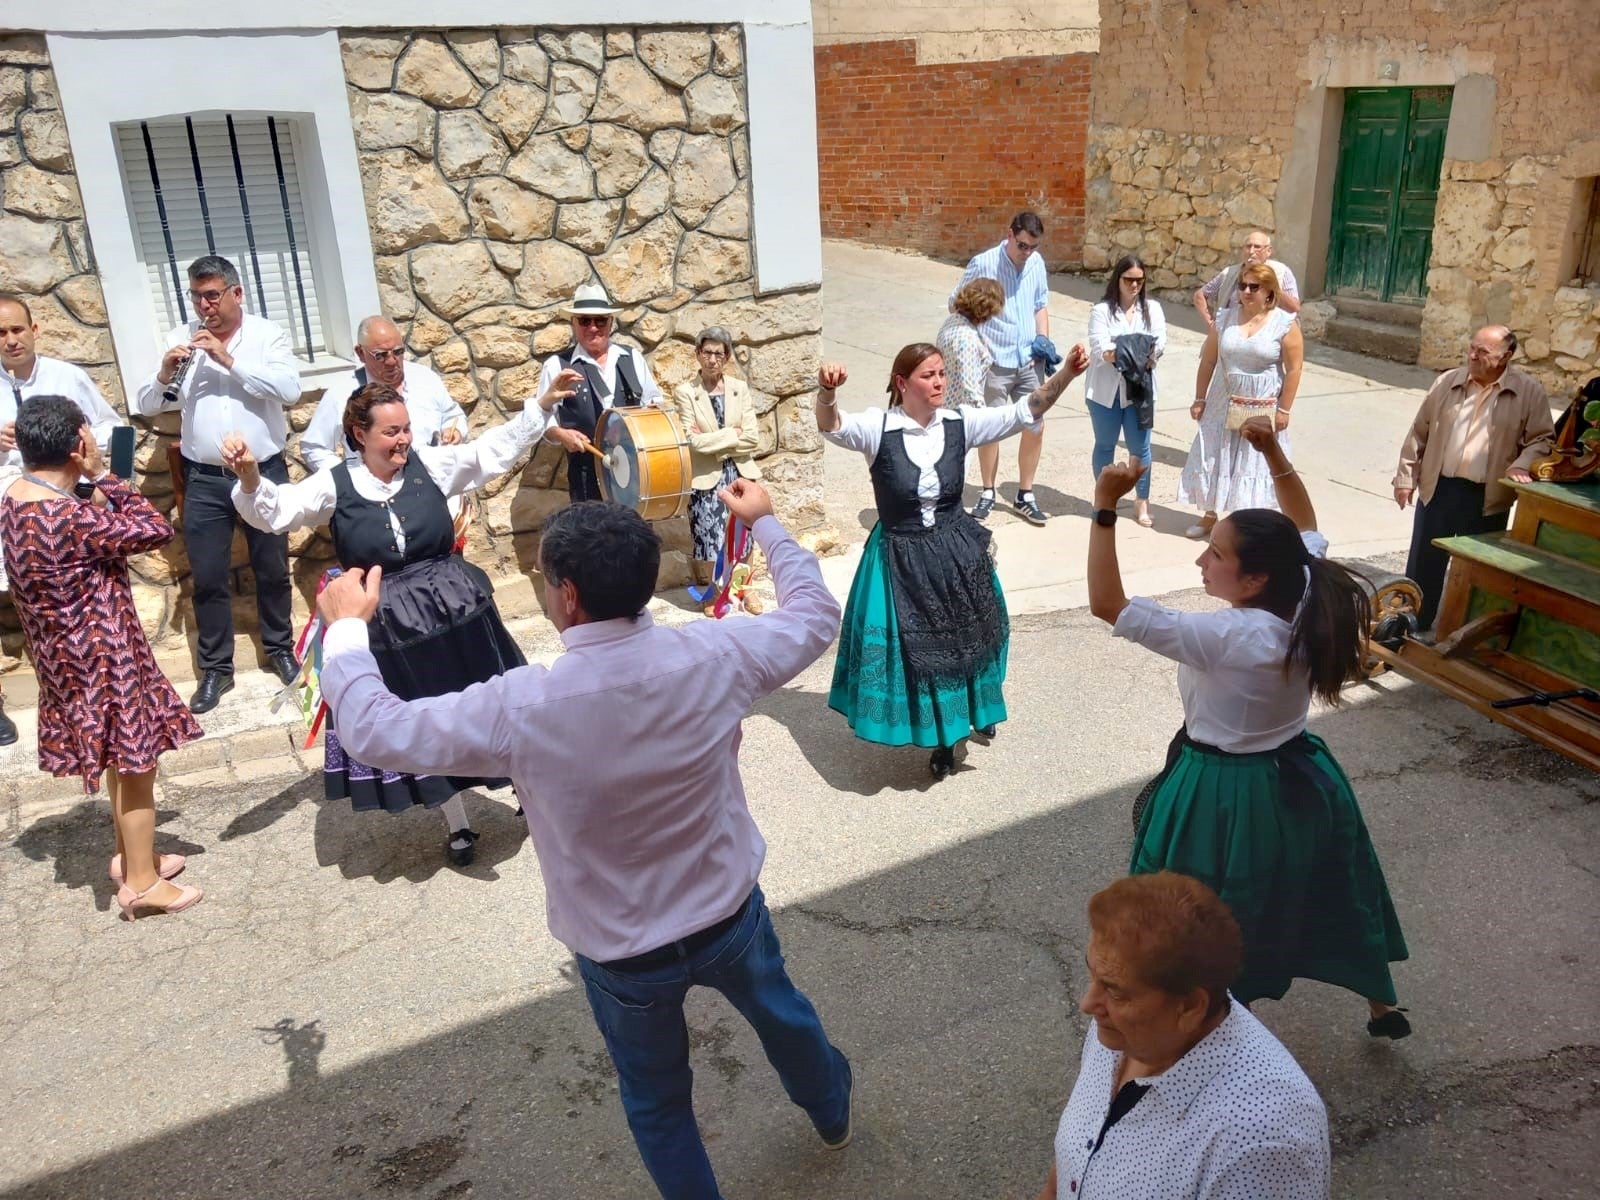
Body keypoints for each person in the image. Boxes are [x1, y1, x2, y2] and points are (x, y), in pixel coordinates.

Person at [313, 483, 851, 1200]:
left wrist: (348, 628)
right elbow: (816, 614)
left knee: (659, 1104)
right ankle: (832, 1114)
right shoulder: (716, 655)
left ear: (566, 595)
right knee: (786, 1020)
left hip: (622, 953)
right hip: (728, 913)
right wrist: (765, 525)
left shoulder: (522, 705)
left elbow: (377, 728)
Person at [1088, 418, 1411, 1037]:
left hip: (1223, 788)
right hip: (1301, 772)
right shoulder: (1306, 581)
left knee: (1200, 911)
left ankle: (1200, 1027)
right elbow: (1305, 527)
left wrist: (1106, 508)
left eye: (1217, 553)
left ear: (1255, 577)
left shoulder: (1231, 636)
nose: (1201, 558)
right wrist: (1270, 452)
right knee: (1329, 886)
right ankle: (1380, 1006)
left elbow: (1109, 604)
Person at [225, 370, 580, 866]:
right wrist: (248, 477)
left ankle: (529, 793)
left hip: (458, 608)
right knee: (426, 719)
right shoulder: (335, 483)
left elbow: (489, 452)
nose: (404, 440)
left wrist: (540, 405)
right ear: (359, 435)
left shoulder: (430, 464)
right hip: (391, 625)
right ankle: (458, 822)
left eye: (406, 428)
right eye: (391, 431)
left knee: (497, 701)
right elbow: (277, 512)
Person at [818, 342, 1090, 779]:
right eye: (929, 375)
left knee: (977, 633)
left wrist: (1068, 376)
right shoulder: (878, 428)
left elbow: (1024, 410)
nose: (940, 381)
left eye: (942, 373)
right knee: (915, 650)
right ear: (903, 383)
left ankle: (977, 713)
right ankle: (943, 738)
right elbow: (831, 426)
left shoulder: (959, 423)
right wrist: (827, 392)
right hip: (899, 554)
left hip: (953, 548)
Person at [0, 395, 203, 919]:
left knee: (118, 759)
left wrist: (83, 483)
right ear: (77, 445)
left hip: (61, 660)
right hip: (104, 658)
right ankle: (141, 884)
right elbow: (154, 529)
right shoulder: (69, 517)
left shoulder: (15, 501)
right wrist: (107, 477)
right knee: (137, 767)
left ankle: (134, 858)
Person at [1036, 872, 1330, 1200]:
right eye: (1093, 976)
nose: (1087, 1004)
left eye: (1114, 991)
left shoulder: (1260, 1142)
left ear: (1189, 1006)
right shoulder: (1121, 1029)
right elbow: (1078, 1158)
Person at [134, 254, 303, 714]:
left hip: (262, 471)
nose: (205, 305)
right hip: (206, 479)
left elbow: (290, 390)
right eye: (197, 296)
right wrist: (167, 372)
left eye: (212, 295)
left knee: (271, 567)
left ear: (236, 293)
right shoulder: (181, 338)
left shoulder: (268, 335)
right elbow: (148, 404)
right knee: (207, 576)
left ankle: (280, 650)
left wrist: (228, 361)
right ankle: (216, 670)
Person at [1, 293, 127, 745]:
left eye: (18, 329)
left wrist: (109, 487)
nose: (11, 340)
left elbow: (117, 432)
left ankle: (97, 698)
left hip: (70, 518)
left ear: (35, 330)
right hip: (12, 519)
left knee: (85, 610)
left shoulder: (67, 377)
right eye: (1, 333)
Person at [1392, 325, 1556, 630]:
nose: (1472, 356)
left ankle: (1463, 631)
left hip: (1487, 497)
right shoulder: (1447, 382)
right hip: (1439, 489)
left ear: (1506, 356)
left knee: (1477, 571)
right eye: (1472, 348)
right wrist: (1405, 477)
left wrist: (1523, 464)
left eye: (1483, 352)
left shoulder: (1528, 392)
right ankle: (1413, 623)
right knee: (1424, 562)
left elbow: (1542, 439)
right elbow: (1419, 432)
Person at [1178, 262, 1304, 540]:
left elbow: (1294, 369)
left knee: (1253, 463)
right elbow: (1209, 359)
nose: (1246, 291)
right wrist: (1199, 398)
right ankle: (1210, 516)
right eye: (1242, 286)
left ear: (1269, 292)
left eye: (1253, 287)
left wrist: (1284, 408)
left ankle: (1247, 527)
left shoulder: (1285, 323)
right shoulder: (1224, 318)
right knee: (1214, 455)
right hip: (1223, 399)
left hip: (1262, 403)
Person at [950, 212, 1053, 524]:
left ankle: (1025, 493)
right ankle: (988, 490)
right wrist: (977, 341)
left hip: (1028, 359)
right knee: (990, 428)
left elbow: (1040, 304)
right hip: (994, 361)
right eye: (1022, 245)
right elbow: (956, 301)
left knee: (1036, 424)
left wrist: (1043, 340)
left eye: (1032, 247)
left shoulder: (1037, 263)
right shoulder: (983, 263)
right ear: (1009, 234)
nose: (1026, 253)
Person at [538, 281, 663, 503]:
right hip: (585, 479)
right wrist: (561, 435)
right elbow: (542, 420)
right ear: (573, 323)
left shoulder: (632, 358)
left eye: (600, 320)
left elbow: (653, 403)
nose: (593, 327)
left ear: (611, 322)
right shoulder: (556, 365)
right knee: (591, 536)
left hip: (634, 478)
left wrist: (652, 415)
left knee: (634, 537)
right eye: (585, 320)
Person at [298, 315, 466, 469]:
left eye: (398, 352)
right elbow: (314, 447)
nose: (392, 361)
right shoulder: (341, 394)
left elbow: (452, 415)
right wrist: (347, 479)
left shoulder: (425, 378)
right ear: (360, 353)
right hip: (376, 494)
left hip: (434, 481)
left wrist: (454, 431)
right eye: (381, 355)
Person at [673, 325, 763, 609]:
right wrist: (732, 434)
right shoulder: (686, 392)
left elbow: (752, 437)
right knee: (709, 536)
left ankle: (742, 589)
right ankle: (714, 591)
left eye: (719, 354)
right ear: (698, 355)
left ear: (727, 358)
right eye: (707, 352)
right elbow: (693, 442)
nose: (713, 359)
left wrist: (718, 439)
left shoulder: (739, 389)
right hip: (706, 477)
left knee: (745, 533)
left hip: (740, 471)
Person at [1085, 255, 1166, 528]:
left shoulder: (1152, 309)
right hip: (1105, 391)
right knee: (1105, 445)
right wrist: (1138, 349)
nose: (1134, 285)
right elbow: (1100, 348)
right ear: (1117, 279)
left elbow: (1159, 344)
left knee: (1140, 447)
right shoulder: (1101, 311)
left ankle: (1142, 501)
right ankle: (1104, 499)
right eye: (1129, 279)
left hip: (1140, 389)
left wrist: (1123, 349)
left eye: (1139, 280)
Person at [1193, 230, 1301, 329]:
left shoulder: (1281, 271)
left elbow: (1294, 308)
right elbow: (1200, 295)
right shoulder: (1229, 273)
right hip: (1230, 334)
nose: (1251, 251)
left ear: (1268, 251)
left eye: (1257, 247)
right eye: (1248, 246)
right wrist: (1211, 325)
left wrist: (1271, 285)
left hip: (1267, 335)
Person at [935, 278, 1002, 409]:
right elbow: (969, 391)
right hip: (961, 416)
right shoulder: (967, 340)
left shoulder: (951, 322)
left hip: (946, 407)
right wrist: (984, 420)